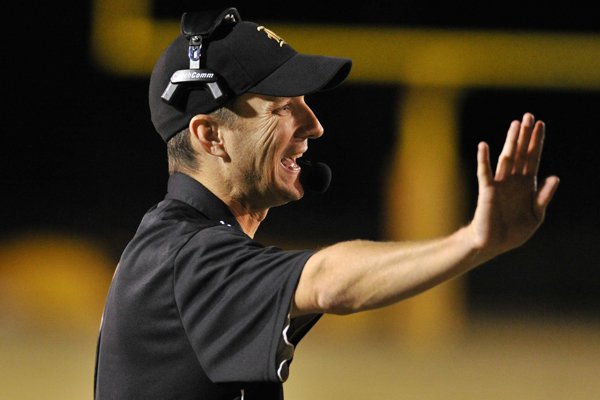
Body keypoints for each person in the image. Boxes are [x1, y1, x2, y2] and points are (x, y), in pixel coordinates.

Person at [93, 7, 560, 400]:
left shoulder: (177, 241)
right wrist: (474, 242)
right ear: (211, 135)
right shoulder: (186, 256)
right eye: (281, 108)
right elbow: (326, 281)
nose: (314, 125)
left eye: (305, 102)